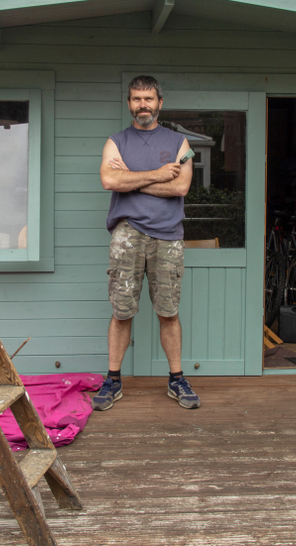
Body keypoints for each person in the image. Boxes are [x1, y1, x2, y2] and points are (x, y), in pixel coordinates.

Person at [92, 75, 200, 410]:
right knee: (121, 311)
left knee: (168, 311)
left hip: (168, 235)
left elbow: (180, 188)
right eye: (137, 99)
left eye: (148, 99)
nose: (143, 105)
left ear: (159, 103)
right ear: (129, 104)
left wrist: (132, 180)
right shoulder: (116, 141)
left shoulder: (180, 144)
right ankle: (112, 380)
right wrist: (156, 174)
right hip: (127, 234)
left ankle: (176, 379)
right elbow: (109, 179)